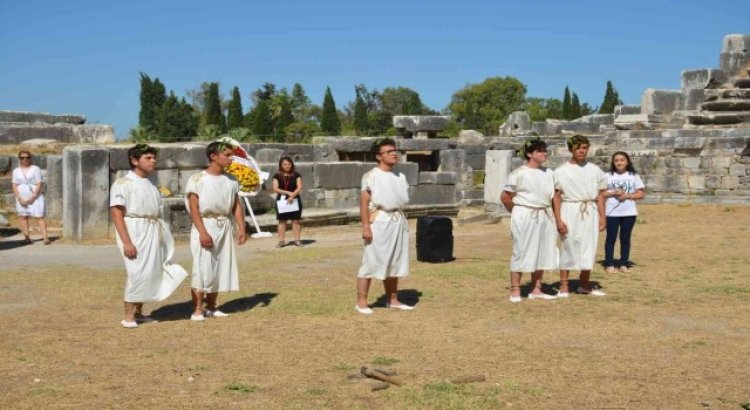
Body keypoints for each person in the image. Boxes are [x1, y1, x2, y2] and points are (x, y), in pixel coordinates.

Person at [110, 144, 184, 328]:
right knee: (137, 271)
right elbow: (116, 212)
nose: (153, 161)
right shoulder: (123, 183)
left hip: (152, 228)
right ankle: (128, 317)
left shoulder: (150, 184)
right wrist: (127, 241)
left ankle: (138, 313)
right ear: (134, 161)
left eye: (153, 158)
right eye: (148, 158)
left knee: (150, 270)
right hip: (135, 229)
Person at [185, 141, 247, 321]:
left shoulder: (232, 180)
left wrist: (241, 227)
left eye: (231, 155)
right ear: (213, 156)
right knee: (203, 267)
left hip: (224, 224)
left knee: (221, 266)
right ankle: (197, 308)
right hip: (206, 223)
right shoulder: (197, 179)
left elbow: (236, 205)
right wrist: (202, 232)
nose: (230, 159)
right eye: (227, 155)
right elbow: (194, 208)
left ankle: (212, 306)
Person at [356, 138, 413, 315]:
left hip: (398, 220)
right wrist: (366, 226)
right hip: (380, 220)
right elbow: (364, 202)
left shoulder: (400, 176)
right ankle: (362, 302)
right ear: (379, 156)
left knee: (395, 260)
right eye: (389, 151)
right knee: (372, 260)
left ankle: (392, 299)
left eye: (395, 150)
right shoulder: (371, 176)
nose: (394, 153)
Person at [500, 138, 558, 303]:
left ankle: (536, 288)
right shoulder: (518, 174)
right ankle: (516, 289)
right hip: (525, 215)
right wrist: (518, 211)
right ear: (530, 154)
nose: (544, 154)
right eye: (540, 151)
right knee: (522, 250)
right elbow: (505, 197)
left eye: (545, 150)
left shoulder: (549, 173)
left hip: (545, 215)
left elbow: (554, 197)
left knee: (542, 251)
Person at [552, 135, 607, 297]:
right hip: (570, 209)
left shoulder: (595, 170)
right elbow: (556, 197)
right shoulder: (561, 171)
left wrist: (603, 217)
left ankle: (584, 284)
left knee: (588, 246)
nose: (582, 151)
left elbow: (601, 196)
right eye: (578, 148)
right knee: (568, 245)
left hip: (590, 210)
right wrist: (558, 219)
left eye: (585, 148)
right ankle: (563, 285)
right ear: (571, 150)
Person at [603, 151, 645, 273]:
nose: (619, 162)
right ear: (613, 162)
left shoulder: (633, 175)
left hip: (629, 212)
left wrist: (628, 196)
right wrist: (613, 193)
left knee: (625, 238)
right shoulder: (607, 175)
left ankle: (623, 263)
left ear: (627, 161)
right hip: (612, 212)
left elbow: (641, 193)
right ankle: (609, 263)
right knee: (611, 238)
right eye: (616, 160)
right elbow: (601, 193)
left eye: (622, 160)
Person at [12, 150, 49, 245]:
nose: (25, 159)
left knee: (39, 216)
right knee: (23, 217)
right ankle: (27, 238)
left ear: (30, 158)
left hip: (34, 196)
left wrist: (33, 196)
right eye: (22, 158)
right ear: (19, 159)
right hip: (21, 196)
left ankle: (45, 238)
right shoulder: (16, 171)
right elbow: (14, 185)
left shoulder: (35, 169)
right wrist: (19, 198)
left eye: (27, 157)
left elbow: (39, 183)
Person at [271, 156, 303, 248]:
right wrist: (287, 192)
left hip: (295, 199)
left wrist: (292, 195)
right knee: (282, 221)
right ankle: (281, 241)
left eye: (289, 164)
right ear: (281, 165)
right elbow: (275, 188)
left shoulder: (296, 175)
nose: (287, 166)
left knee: (296, 221)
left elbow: (299, 187)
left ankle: (297, 240)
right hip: (282, 200)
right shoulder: (277, 176)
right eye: (285, 164)